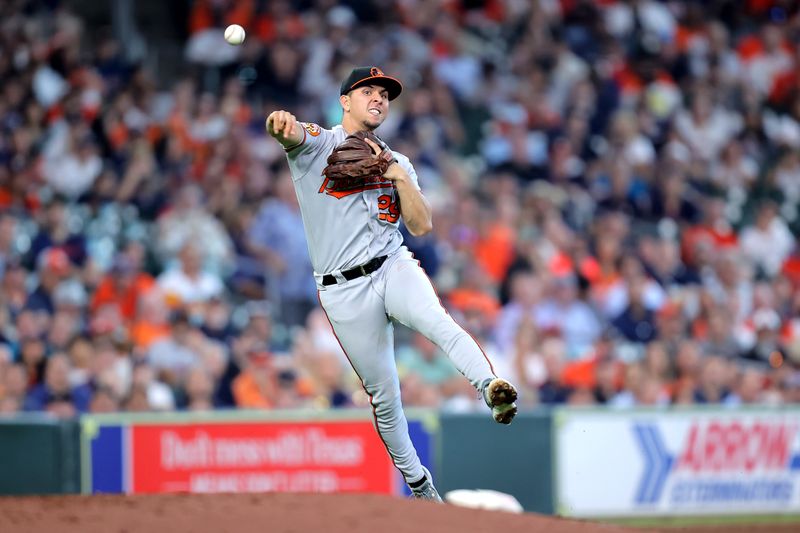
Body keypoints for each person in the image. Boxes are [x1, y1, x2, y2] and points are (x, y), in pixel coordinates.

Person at [265, 66, 518, 501]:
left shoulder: (398, 162)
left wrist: (398, 176)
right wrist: (280, 125)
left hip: (392, 265)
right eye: (368, 91)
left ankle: (490, 387)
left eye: (385, 94)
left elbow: (421, 225)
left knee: (438, 321)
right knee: (384, 396)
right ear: (345, 101)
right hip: (342, 289)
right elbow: (290, 134)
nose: (379, 98)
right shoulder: (320, 144)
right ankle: (420, 486)